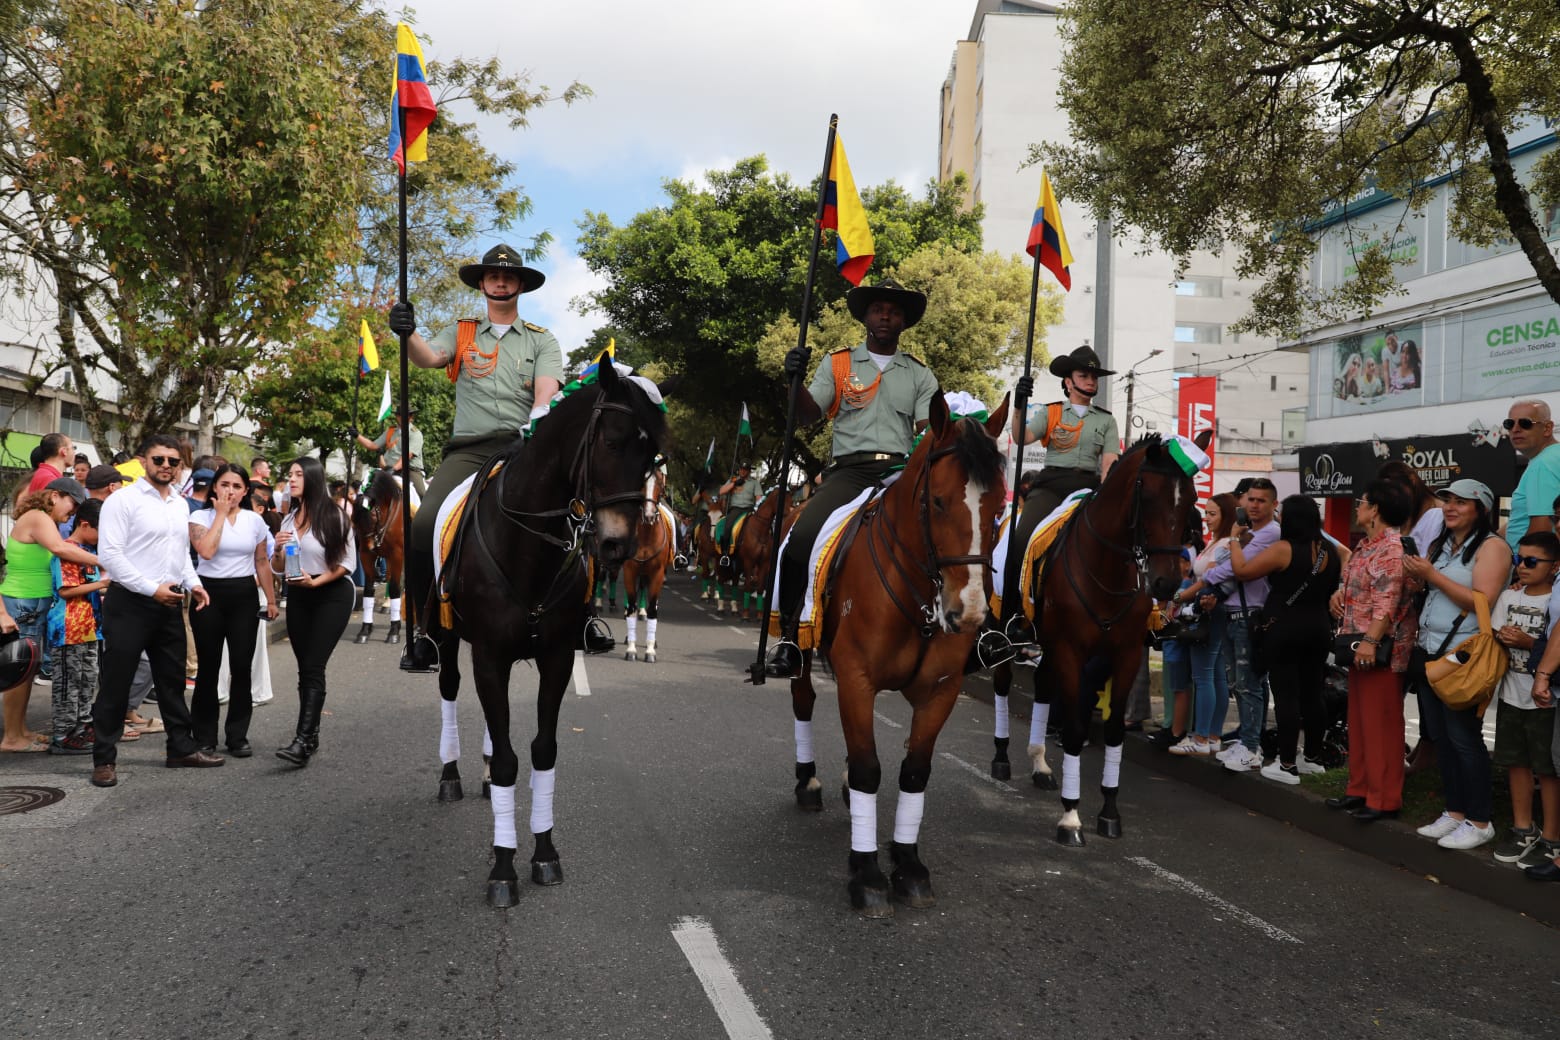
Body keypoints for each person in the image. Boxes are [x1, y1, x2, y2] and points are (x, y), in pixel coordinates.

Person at [386, 243, 570, 670]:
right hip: (469, 451)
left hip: (525, 448)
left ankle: (582, 616)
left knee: (577, 516)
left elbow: (545, 395)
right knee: (425, 523)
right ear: (483, 284)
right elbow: (430, 358)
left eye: (508, 276)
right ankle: (426, 630)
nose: (500, 281)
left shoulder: (544, 341)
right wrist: (407, 331)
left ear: (520, 285)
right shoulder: (463, 332)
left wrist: (533, 431)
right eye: (492, 276)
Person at [765, 277, 939, 678]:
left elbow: (931, 431)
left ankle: (943, 630)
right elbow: (808, 415)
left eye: (893, 311)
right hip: (850, 472)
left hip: (898, 472)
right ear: (865, 316)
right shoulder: (838, 363)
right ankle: (791, 638)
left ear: (903, 322)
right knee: (799, 541)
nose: (885, 316)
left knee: (944, 539)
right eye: (878, 309)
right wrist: (793, 380)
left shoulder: (919, 374)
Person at [90, 434, 218, 788]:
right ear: (143, 461)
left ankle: (180, 749)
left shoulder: (179, 504)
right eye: (159, 460)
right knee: (117, 683)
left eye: (173, 462)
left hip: (170, 601)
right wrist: (151, 589)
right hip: (129, 603)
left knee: (172, 682)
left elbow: (179, 555)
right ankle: (103, 758)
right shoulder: (123, 501)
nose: (166, 466)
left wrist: (193, 583)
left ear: (180, 466)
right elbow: (111, 556)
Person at [1402, 478, 1509, 850]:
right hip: (1431, 649)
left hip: (1464, 654)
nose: (1449, 507)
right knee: (1442, 738)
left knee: (1464, 738)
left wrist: (1432, 576)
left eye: (1460, 502)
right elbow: (1433, 589)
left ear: (1480, 509)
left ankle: (1480, 820)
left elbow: (1482, 600)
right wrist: (1420, 579)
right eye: (1447, 500)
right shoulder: (1442, 544)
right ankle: (1455, 812)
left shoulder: (1493, 547)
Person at [1000, 345, 1119, 631]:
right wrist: (1019, 405)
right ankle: (1011, 614)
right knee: (1020, 539)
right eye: (1084, 375)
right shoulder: (1051, 412)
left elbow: (1109, 465)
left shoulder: (1106, 420)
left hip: (1088, 490)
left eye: (1094, 376)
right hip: (1051, 487)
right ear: (1068, 382)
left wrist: (1103, 497)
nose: (1091, 381)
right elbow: (1020, 437)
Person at [1228, 495, 1342, 783]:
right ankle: (1312, 757)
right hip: (1319, 627)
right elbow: (1347, 560)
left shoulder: (1284, 549)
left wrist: (1233, 541)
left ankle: (1287, 763)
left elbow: (1241, 572)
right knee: (1313, 692)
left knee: (1287, 694)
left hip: (1285, 627)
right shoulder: (1328, 550)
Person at [1327, 479, 1418, 821]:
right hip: (1358, 645)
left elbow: (1388, 602)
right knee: (1360, 721)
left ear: (1375, 509)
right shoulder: (1367, 546)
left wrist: (1370, 641)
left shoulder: (1391, 549)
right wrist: (1339, 595)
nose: (1357, 507)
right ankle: (1359, 789)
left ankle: (1384, 799)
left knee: (1382, 725)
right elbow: (1358, 587)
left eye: (1362, 501)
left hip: (1380, 649)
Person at [270, 456, 356, 766]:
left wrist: (317, 581)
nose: (291, 480)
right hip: (298, 595)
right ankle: (311, 735)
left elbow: (347, 564)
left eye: (297, 475)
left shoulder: (335, 516)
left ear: (313, 479)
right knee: (304, 666)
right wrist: (278, 549)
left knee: (314, 666)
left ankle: (302, 740)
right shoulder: (289, 518)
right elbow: (278, 569)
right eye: (289, 474)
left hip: (331, 595)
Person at [0, 478, 96, 753]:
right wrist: (107, 562)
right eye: (73, 503)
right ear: (55, 495)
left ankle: (20, 731)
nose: (73, 512)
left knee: (27, 670)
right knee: (19, 669)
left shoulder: (41, 519)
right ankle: (11, 738)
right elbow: (63, 549)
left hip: (32, 602)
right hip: (24, 602)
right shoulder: (38, 517)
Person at [1191, 477, 1280, 773]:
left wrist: (1209, 579)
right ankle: (1246, 742)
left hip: (1250, 615)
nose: (1253, 505)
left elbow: (1238, 569)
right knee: (1238, 684)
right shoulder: (1246, 531)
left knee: (1249, 683)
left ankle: (1252, 747)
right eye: (1250, 499)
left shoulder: (1270, 533)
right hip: (1231, 612)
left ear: (1273, 504)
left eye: (1261, 500)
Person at [188, 463, 276, 757]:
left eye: (237, 486)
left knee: (241, 667)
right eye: (225, 484)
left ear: (246, 491)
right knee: (209, 668)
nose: (230, 491)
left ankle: (237, 736)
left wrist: (272, 600)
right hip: (208, 595)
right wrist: (221, 515)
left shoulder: (255, 521)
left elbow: (262, 561)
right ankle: (204, 736)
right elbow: (207, 551)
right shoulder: (199, 516)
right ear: (214, 487)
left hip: (244, 595)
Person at [1486, 530, 1560, 869]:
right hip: (1511, 693)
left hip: (1545, 699)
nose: (1522, 567)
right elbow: (1496, 636)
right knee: (1516, 762)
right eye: (1519, 560)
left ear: (1554, 566)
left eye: (1532, 561)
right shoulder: (1507, 597)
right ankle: (1522, 827)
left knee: (1547, 769)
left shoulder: (1554, 602)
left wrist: (1528, 643)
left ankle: (1552, 837)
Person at [1169, 493, 1239, 756]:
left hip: (1209, 611)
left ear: (1227, 515)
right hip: (1212, 610)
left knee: (1204, 675)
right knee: (1215, 675)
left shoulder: (1222, 546)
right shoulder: (1219, 543)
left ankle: (1200, 737)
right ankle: (1211, 736)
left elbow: (1206, 580)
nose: (1207, 519)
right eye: (1206, 513)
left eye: (1213, 514)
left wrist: (1176, 598)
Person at [45, 497, 106, 754]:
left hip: (89, 627)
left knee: (86, 680)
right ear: (84, 524)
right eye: (100, 530)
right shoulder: (67, 551)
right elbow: (66, 590)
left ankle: (82, 726)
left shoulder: (89, 553)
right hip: (68, 628)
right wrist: (103, 584)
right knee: (68, 684)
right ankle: (63, 734)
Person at [1504, 398, 1560, 548]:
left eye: (1525, 423)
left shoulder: (1543, 464)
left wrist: (1523, 564)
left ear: (1547, 428)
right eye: (1509, 424)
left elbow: (1543, 527)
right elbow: (1520, 519)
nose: (1515, 429)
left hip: (1531, 566)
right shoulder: (1552, 457)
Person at [354, 404, 427, 497]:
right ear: (397, 416)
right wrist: (357, 435)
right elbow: (373, 445)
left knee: (421, 494)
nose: (402, 417)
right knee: (367, 489)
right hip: (388, 468)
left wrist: (393, 469)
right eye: (399, 415)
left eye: (406, 415)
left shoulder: (415, 434)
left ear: (411, 417)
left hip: (409, 470)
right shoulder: (391, 431)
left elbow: (407, 456)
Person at [715, 461, 761, 557]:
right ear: (739, 470)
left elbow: (758, 497)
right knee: (727, 526)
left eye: (745, 470)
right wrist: (734, 484)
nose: (743, 471)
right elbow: (721, 491)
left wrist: (758, 507)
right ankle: (725, 553)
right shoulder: (733, 480)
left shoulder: (754, 482)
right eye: (741, 469)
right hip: (736, 509)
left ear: (749, 471)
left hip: (749, 509)